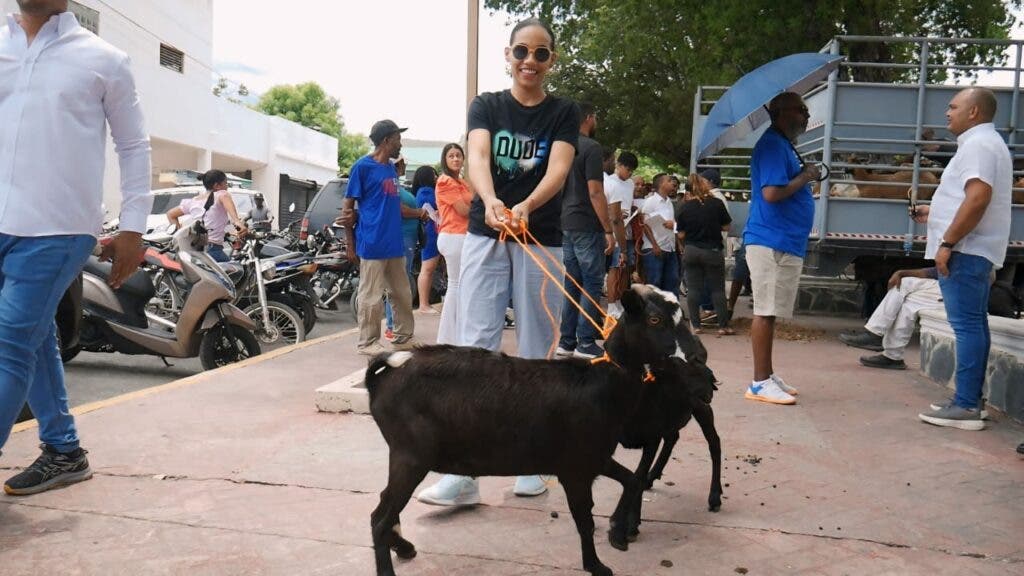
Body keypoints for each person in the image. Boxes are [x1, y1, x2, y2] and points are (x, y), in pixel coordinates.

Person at [416, 17, 578, 506]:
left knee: (535, 350)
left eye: (541, 53)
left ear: (551, 59)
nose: (530, 60)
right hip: (487, 234)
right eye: (522, 51)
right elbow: (479, 156)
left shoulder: (563, 112)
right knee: (476, 348)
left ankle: (532, 463)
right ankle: (463, 473)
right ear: (507, 55)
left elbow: (560, 167)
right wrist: (489, 202)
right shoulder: (486, 105)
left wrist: (527, 205)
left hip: (541, 238)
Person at [1, 0, 152, 495]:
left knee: (8, 343)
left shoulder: (103, 58)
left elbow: (133, 145)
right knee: (34, 335)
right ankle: (64, 451)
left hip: (59, 227)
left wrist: (132, 225)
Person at [913, 88, 1012, 431]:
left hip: (966, 251)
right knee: (974, 324)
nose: (947, 112)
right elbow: (969, 198)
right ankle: (970, 400)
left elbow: (978, 197)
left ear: (973, 112)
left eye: (953, 106)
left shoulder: (979, 145)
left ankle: (967, 405)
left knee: (967, 326)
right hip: (971, 249)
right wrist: (935, 211)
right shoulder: (983, 143)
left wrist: (948, 242)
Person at [743, 91, 819, 406]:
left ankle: (767, 374)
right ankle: (759, 382)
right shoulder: (773, 145)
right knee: (765, 310)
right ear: (782, 112)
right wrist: (806, 176)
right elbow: (772, 193)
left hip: (782, 240)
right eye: (801, 110)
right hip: (771, 239)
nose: (807, 116)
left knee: (771, 311)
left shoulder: (783, 145)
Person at [339, 120, 419, 355]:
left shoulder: (390, 170)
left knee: (402, 293)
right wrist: (350, 244)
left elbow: (391, 204)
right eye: (397, 139)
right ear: (386, 141)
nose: (400, 144)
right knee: (371, 296)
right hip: (372, 243)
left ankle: (403, 336)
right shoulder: (361, 167)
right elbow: (347, 207)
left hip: (393, 243)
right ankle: (367, 343)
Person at [555, 102, 614, 359]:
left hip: (565, 222)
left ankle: (566, 341)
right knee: (591, 283)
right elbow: (595, 191)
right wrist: (608, 229)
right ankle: (585, 341)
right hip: (587, 224)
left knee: (572, 283)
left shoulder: (561, 148)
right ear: (589, 118)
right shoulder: (591, 148)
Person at [839, 268, 943, 369]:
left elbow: (941, 271)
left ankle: (875, 334)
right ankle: (893, 356)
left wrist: (902, 273)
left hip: (955, 292)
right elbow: (937, 271)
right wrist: (902, 272)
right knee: (908, 301)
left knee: (904, 283)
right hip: (946, 287)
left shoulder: (954, 251)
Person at [676, 173, 733, 335]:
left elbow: (680, 234)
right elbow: (727, 227)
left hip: (692, 251)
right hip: (712, 251)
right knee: (717, 289)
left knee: (694, 289)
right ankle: (723, 326)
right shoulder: (716, 203)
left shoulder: (684, 207)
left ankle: (696, 325)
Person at [382, 157, 426, 339]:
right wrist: (419, 213)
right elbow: (398, 209)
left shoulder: (396, 186)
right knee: (398, 282)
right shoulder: (390, 186)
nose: (405, 166)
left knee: (400, 282)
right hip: (401, 237)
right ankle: (392, 325)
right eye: (402, 163)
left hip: (406, 237)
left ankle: (395, 325)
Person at [434, 143, 473, 345]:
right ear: (445, 160)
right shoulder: (445, 181)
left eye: (459, 155)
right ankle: (448, 338)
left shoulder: (462, 182)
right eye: (451, 156)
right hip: (454, 236)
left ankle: (455, 335)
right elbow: (463, 210)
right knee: (456, 286)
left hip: (461, 237)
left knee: (461, 286)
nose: (456, 159)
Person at [166, 170, 248, 262]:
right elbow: (234, 216)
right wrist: (237, 222)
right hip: (212, 250)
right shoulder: (222, 194)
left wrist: (177, 229)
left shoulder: (194, 200)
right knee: (235, 273)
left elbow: (170, 214)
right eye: (225, 183)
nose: (227, 187)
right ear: (217, 186)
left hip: (194, 249)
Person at [604, 151, 638, 317]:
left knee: (625, 269)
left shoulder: (630, 184)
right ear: (619, 165)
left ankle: (620, 301)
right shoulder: (609, 182)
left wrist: (631, 211)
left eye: (632, 170)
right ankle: (611, 305)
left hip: (628, 229)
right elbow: (609, 210)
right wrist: (617, 216)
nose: (629, 172)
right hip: (615, 230)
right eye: (627, 168)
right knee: (614, 268)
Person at [638, 173, 681, 296]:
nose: (672, 183)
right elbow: (644, 224)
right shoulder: (650, 202)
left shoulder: (669, 202)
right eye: (669, 181)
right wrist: (655, 245)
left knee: (672, 282)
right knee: (654, 283)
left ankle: (671, 313)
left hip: (669, 247)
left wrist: (677, 244)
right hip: (655, 249)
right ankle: (652, 313)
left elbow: (672, 224)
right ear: (661, 184)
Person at [413, 165, 441, 314]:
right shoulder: (426, 192)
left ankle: (425, 303)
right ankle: (424, 304)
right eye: (433, 175)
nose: (436, 177)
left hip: (430, 233)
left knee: (428, 269)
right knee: (428, 268)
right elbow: (433, 212)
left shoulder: (420, 192)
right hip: (431, 233)